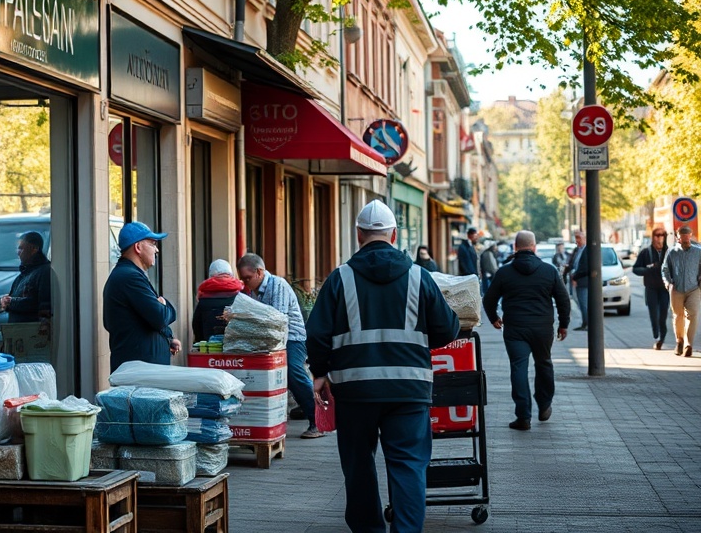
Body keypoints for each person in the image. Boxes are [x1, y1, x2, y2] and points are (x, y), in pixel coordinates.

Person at [306, 200, 460, 533]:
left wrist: (320, 373)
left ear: (358, 234)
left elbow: (317, 333)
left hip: (355, 392)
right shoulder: (420, 277)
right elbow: (448, 329)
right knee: (408, 467)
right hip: (409, 391)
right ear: (394, 234)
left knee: (359, 467)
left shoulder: (340, 279)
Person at [482, 230, 570, 430]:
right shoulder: (549, 271)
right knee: (544, 363)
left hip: (515, 329)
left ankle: (523, 416)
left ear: (515, 247)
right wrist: (563, 324)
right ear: (534, 247)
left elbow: (489, 299)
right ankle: (545, 402)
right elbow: (563, 300)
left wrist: (494, 318)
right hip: (543, 328)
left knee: (518, 368)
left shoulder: (504, 272)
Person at [237, 252, 323, 439]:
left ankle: (318, 420)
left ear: (259, 272)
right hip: (272, 339)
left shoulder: (278, 285)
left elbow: (277, 320)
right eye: (243, 279)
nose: (245, 283)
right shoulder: (253, 290)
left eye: (247, 278)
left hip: (293, 338)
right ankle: (303, 405)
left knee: (292, 372)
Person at [103, 222, 181, 372]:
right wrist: (164, 306)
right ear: (138, 247)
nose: (156, 250)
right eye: (152, 244)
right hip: (139, 375)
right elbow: (159, 317)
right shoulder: (129, 277)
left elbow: (146, 318)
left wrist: (168, 338)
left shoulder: (131, 275)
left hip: (144, 372)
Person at [661, 225, 701, 357]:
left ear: (691, 235)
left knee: (693, 314)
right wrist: (668, 283)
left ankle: (688, 345)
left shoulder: (698, 252)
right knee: (678, 316)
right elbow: (665, 269)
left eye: (687, 236)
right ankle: (679, 340)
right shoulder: (672, 252)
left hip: (694, 288)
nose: (685, 239)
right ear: (678, 237)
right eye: (682, 236)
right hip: (676, 289)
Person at [0, 231, 52, 323]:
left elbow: (38, 303)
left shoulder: (44, 272)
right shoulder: (26, 272)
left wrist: (11, 302)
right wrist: (6, 300)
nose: (18, 253)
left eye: (21, 249)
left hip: (30, 331)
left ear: (34, 249)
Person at [632, 227, 669, 350]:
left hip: (665, 288)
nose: (659, 238)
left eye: (661, 235)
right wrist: (648, 269)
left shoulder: (669, 252)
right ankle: (656, 335)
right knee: (654, 314)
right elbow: (635, 268)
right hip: (651, 288)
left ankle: (661, 338)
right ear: (653, 237)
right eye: (657, 235)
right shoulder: (646, 252)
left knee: (663, 315)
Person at [192, 259, 243, 342]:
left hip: (211, 346)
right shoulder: (240, 295)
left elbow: (197, 325)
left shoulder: (204, 298)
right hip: (236, 346)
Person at [565, 230, 588, 330]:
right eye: (576, 238)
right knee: (579, 302)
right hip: (575, 280)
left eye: (579, 237)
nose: (577, 240)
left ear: (585, 238)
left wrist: (575, 276)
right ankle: (584, 322)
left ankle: (587, 324)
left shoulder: (587, 250)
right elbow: (572, 263)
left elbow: (586, 267)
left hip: (583, 281)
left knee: (584, 303)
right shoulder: (576, 250)